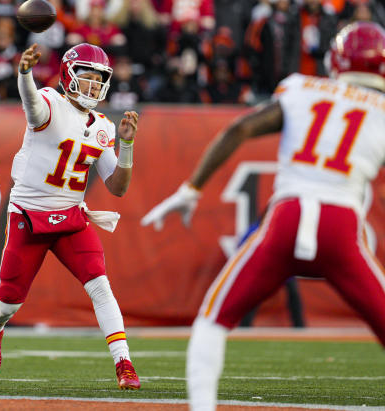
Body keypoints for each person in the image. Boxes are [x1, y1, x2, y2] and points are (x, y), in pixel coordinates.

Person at [140, 21, 385, 410]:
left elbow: (239, 129)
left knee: (212, 320)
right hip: (341, 226)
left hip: (286, 217)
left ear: (336, 59)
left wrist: (191, 190)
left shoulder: (302, 89)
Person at [0, 42, 141, 390]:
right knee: (9, 302)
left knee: (100, 285)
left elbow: (117, 187)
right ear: (69, 75)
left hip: (69, 216)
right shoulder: (50, 104)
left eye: (100, 80)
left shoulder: (103, 126)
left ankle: (124, 363)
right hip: (29, 215)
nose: (94, 86)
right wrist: (24, 73)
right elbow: (31, 103)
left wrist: (126, 146)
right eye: (87, 78)